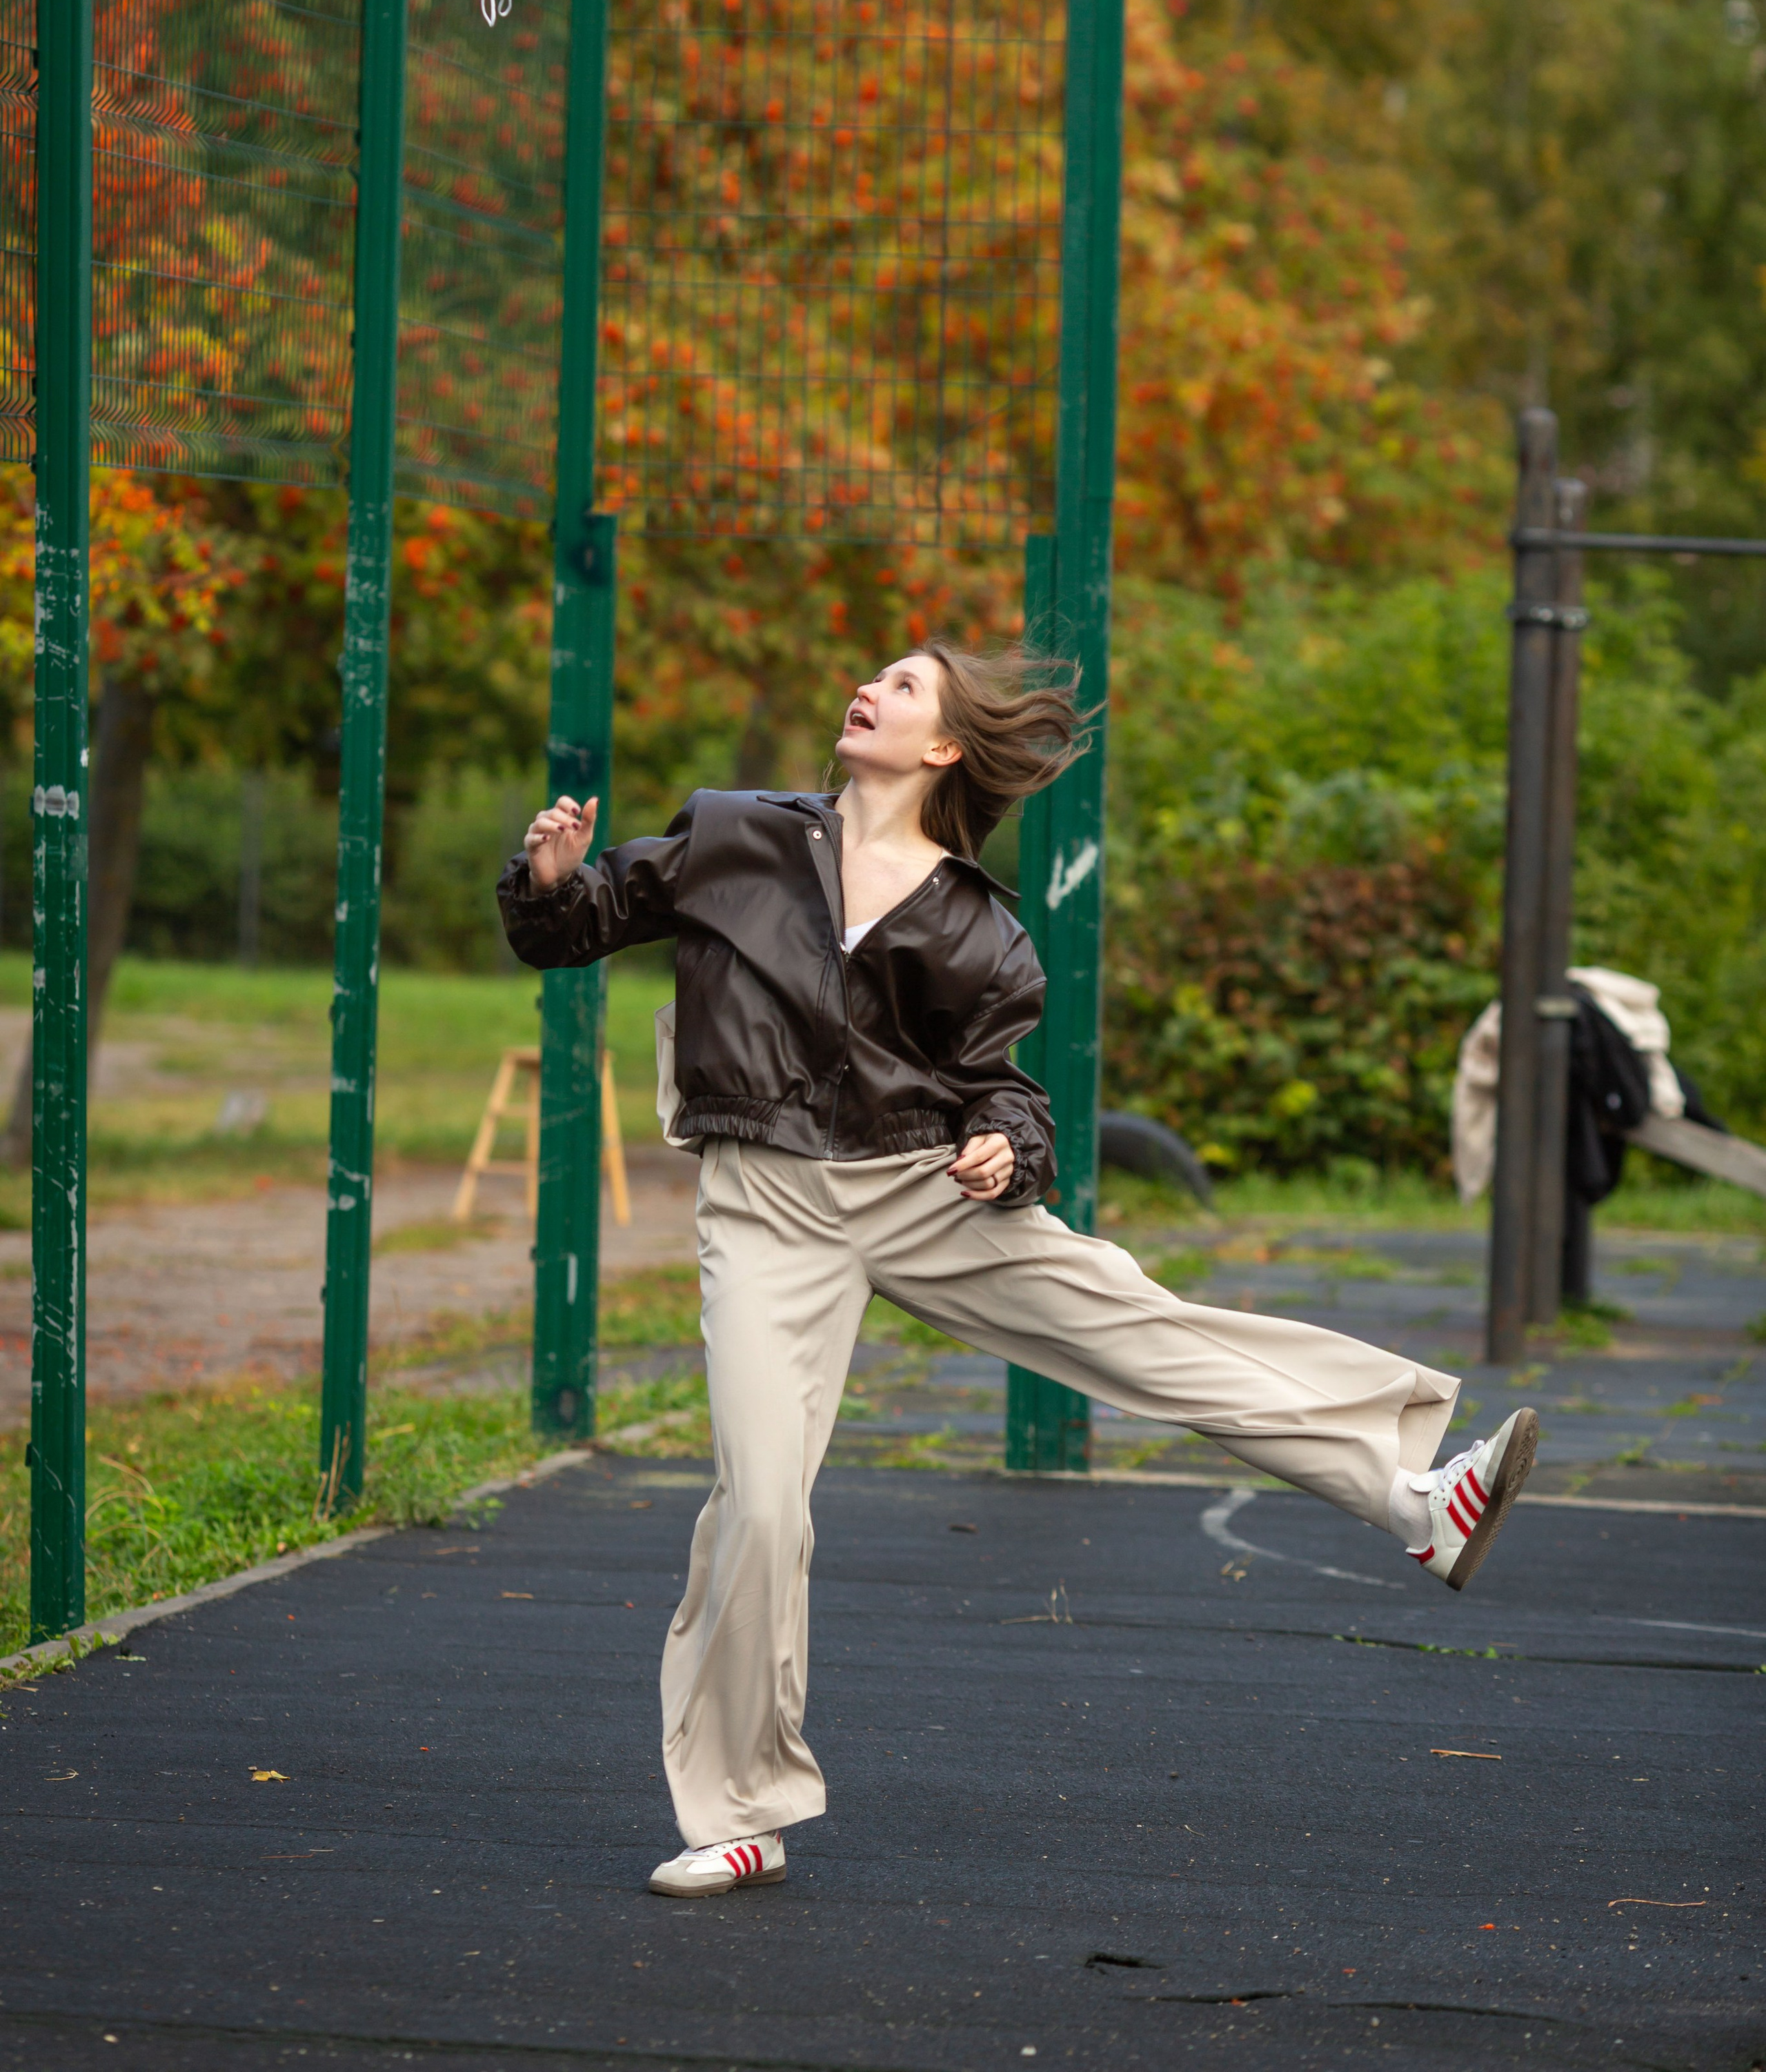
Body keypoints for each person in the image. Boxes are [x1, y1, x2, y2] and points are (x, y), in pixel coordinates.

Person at [498, 645, 1538, 1900]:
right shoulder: (734, 834)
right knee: (761, 1506)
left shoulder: (978, 928)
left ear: (942, 748)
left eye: (901, 686)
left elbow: (1003, 1087)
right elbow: (580, 927)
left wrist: (1010, 1148)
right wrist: (548, 881)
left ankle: (1416, 1500)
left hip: (923, 1186)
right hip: (769, 1203)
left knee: (1138, 1326)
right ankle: (740, 1812)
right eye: (870, 677)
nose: (866, 690)